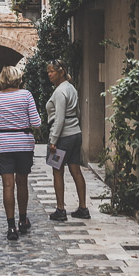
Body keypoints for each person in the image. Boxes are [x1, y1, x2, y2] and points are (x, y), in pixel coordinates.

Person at [0, 65, 40, 240]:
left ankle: (11, 227)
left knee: (8, 185)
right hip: (23, 143)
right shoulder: (26, 95)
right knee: (22, 182)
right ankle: (23, 220)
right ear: (18, 78)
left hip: (4, 144)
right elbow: (36, 121)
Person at [46, 60, 90, 222]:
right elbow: (77, 112)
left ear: (61, 72)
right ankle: (83, 208)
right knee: (75, 170)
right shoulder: (71, 88)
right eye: (48, 72)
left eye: (52, 71)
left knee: (57, 171)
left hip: (62, 137)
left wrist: (53, 140)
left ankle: (60, 209)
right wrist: (76, 127)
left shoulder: (59, 92)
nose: (49, 74)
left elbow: (59, 118)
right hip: (75, 134)